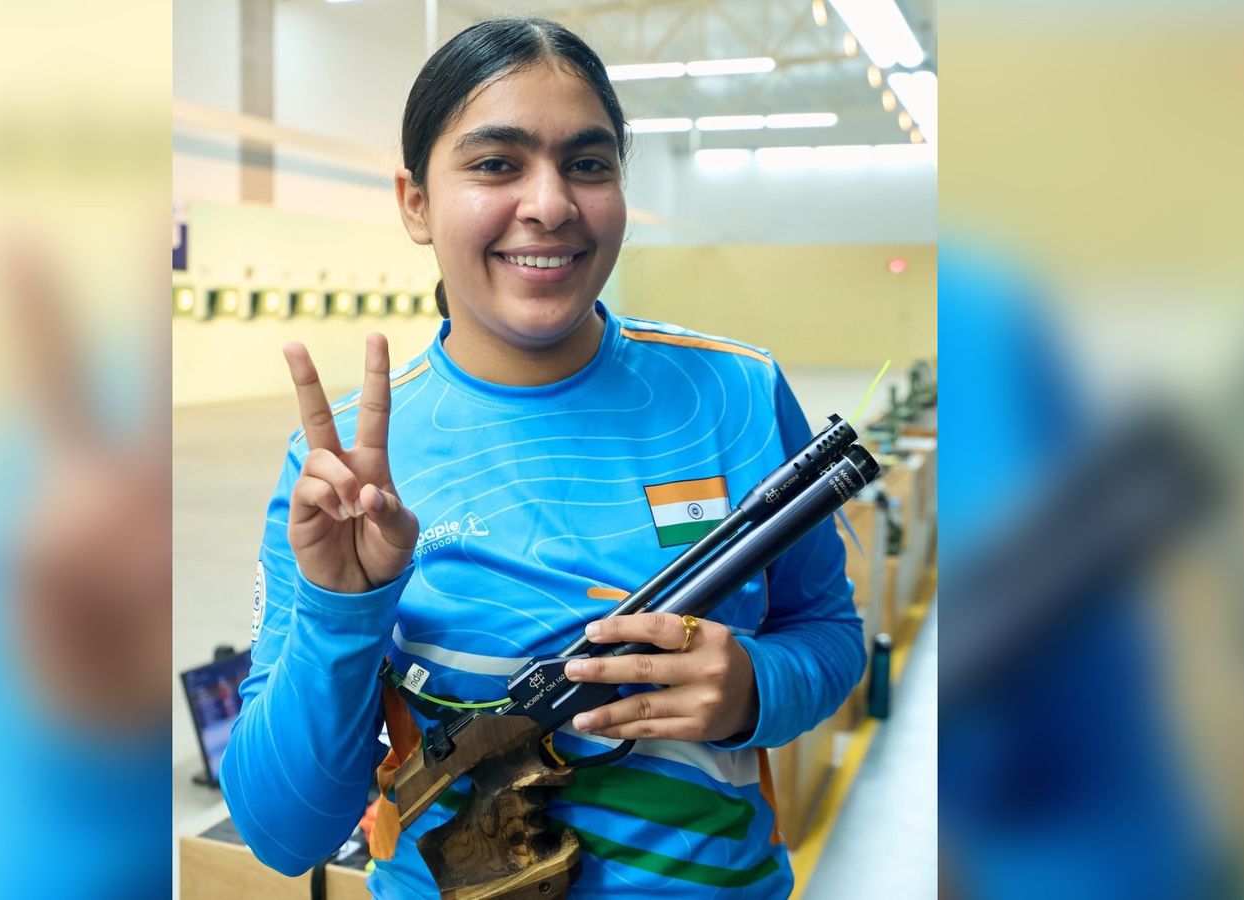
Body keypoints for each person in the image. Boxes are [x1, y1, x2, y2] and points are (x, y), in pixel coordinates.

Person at [220, 17, 864, 898]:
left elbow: (827, 633)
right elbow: (283, 833)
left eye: (588, 164)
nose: (551, 203)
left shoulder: (737, 393)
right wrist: (342, 608)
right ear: (415, 202)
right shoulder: (337, 473)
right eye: (496, 163)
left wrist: (755, 688)